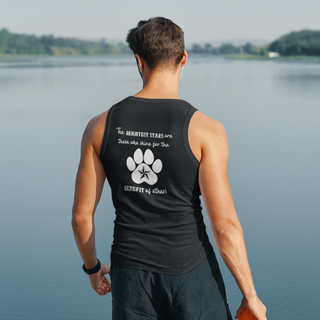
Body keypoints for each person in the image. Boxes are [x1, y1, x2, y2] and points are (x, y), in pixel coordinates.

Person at [72, 17, 267, 320]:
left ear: (139, 61)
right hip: (192, 273)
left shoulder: (99, 126)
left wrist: (93, 269)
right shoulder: (206, 130)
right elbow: (224, 226)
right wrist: (250, 296)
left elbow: (81, 217)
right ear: (183, 59)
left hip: (130, 275)